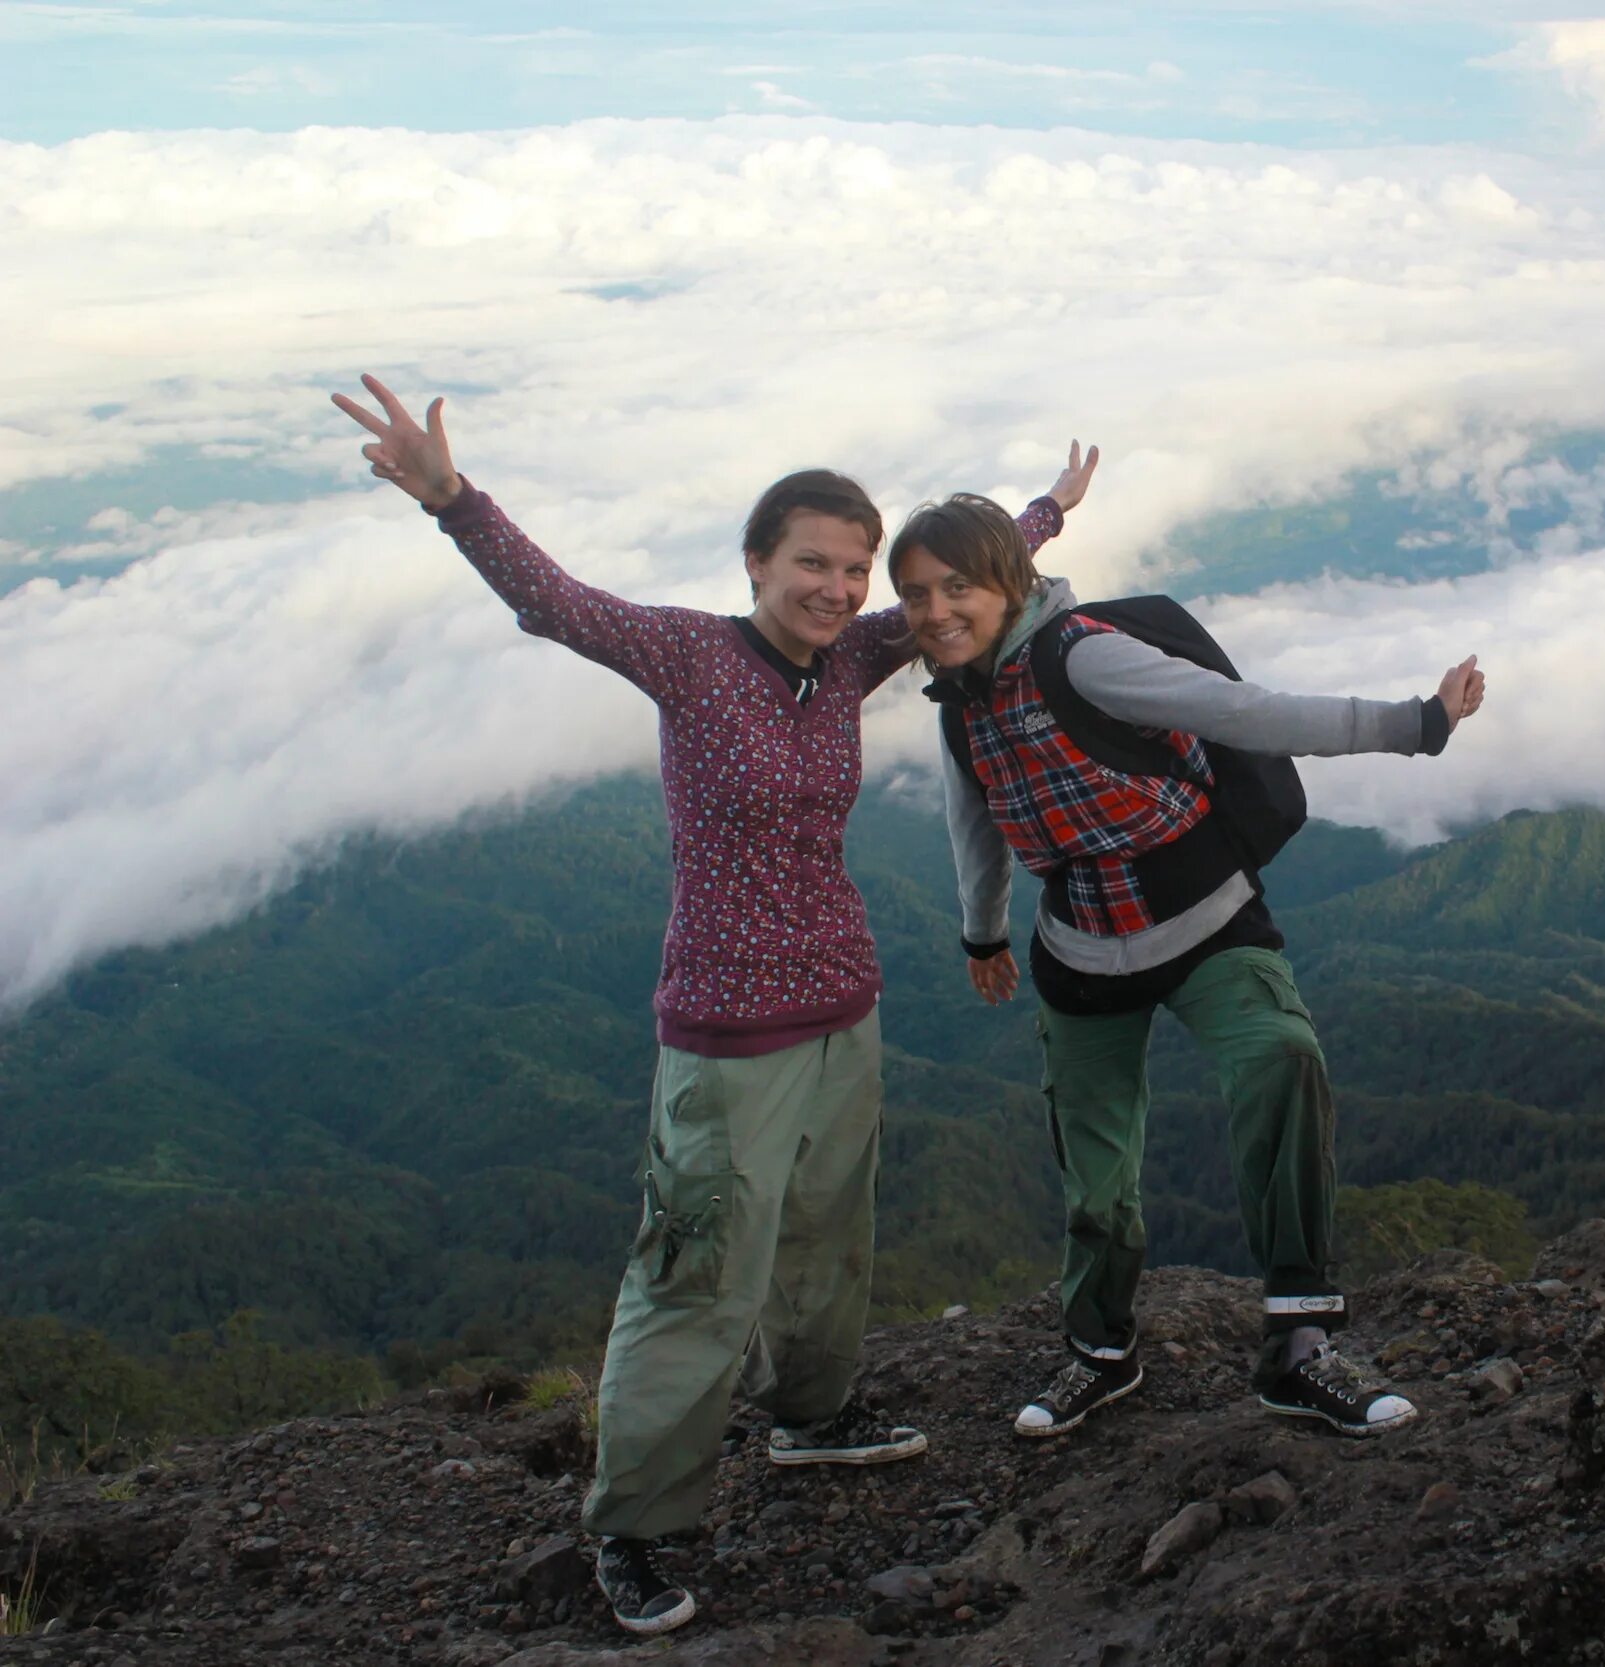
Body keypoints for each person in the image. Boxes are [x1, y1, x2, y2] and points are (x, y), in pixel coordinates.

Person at [330, 375, 1096, 1636]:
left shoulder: (854, 656)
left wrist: (1041, 514)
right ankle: (634, 1522)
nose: (842, 590)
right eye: (815, 562)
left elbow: (951, 591)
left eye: (854, 568)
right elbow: (555, 602)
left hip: (844, 1001)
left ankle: (813, 1415)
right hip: (726, 1029)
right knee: (695, 1273)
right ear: (757, 560)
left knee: (824, 1234)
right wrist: (451, 499)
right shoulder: (690, 654)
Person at [888, 488, 1486, 1441]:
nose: (934, 612)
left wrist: (1416, 723)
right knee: (1095, 1167)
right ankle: (1100, 1351)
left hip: (1205, 917)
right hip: (1080, 944)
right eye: (915, 594)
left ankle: (1300, 1346)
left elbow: (1243, 712)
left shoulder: (1083, 657)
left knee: (1281, 1058)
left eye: (957, 586)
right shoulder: (959, 703)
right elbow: (977, 820)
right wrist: (983, 934)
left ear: (1009, 583)